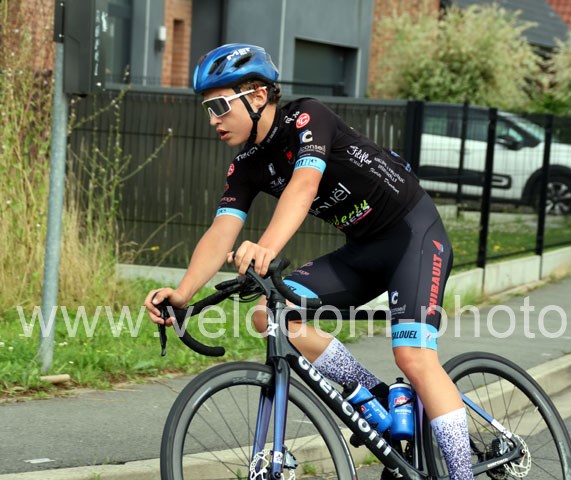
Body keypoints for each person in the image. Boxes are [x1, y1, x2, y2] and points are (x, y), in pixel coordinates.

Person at [143, 44, 473, 479]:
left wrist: (265, 247)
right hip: (364, 250)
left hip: (414, 235)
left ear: (257, 95)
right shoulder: (247, 165)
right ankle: (374, 395)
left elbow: (304, 185)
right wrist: (183, 293)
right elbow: (222, 229)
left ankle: (463, 474)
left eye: (220, 106)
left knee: (413, 357)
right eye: (208, 109)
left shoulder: (307, 117)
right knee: (270, 315)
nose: (212, 119)